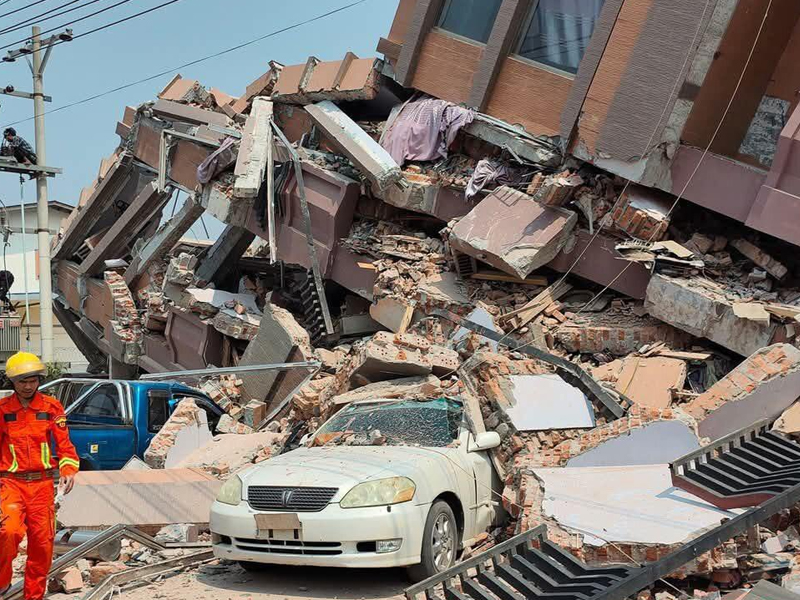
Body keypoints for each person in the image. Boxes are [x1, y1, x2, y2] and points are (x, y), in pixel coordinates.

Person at [0, 352, 79, 600]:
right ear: (13, 382)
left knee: (42, 546)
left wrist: (67, 470)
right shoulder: (3, 410)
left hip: (42, 486)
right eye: (22, 381)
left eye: (32, 380)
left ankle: (33, 596)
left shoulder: (51, 407)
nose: (27, 386)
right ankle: (2, 583)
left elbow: (65, 446)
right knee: (8, 532)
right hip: (10, 483)